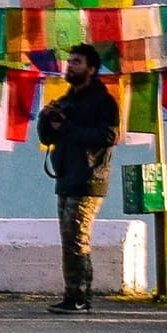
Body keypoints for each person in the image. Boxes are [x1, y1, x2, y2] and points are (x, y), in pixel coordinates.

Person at [36, 42, 124, 313]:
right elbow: (47, 136)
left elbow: (110, 136)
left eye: (77, 62)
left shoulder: (103, 101)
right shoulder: (66, 100)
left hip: (89, 178)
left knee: (76, 238)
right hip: (65, 176)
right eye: (70, 61)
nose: (70, 66)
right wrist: (47, 118)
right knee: (69, 238)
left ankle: (79, 296)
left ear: (91, 69)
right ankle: (74, 294)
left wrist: (69, 126)